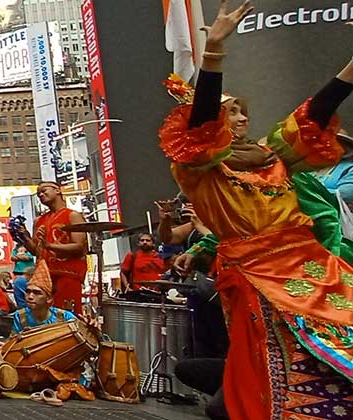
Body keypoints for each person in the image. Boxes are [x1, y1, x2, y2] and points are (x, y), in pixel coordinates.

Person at [157, 2, 353, 417]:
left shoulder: (273, 155)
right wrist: (214, 51)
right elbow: (204, 122)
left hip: (319, 268)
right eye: (228, 111)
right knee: (281, 370)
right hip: (260, 278)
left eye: (240, 110)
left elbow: (314, 115)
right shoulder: (200, 169)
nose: (238, 117)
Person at [17, 181, 88, 316]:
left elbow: (79, 247)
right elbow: (35, 251)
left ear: (58, 190)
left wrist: (49, 246)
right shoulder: (38, 220)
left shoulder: (72, 215)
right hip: (43, 276)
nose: (41, 195)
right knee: (42, 315)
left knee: (66, 315)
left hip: (67, 274)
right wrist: (23, 237)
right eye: (38, 194)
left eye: (44, 191)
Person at [11, 263, 77, 334]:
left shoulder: (65, 317)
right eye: (28, 292)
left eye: (37, 293)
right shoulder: (20, 316)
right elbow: (14, 341)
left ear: (49, 299)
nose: (30, 296)